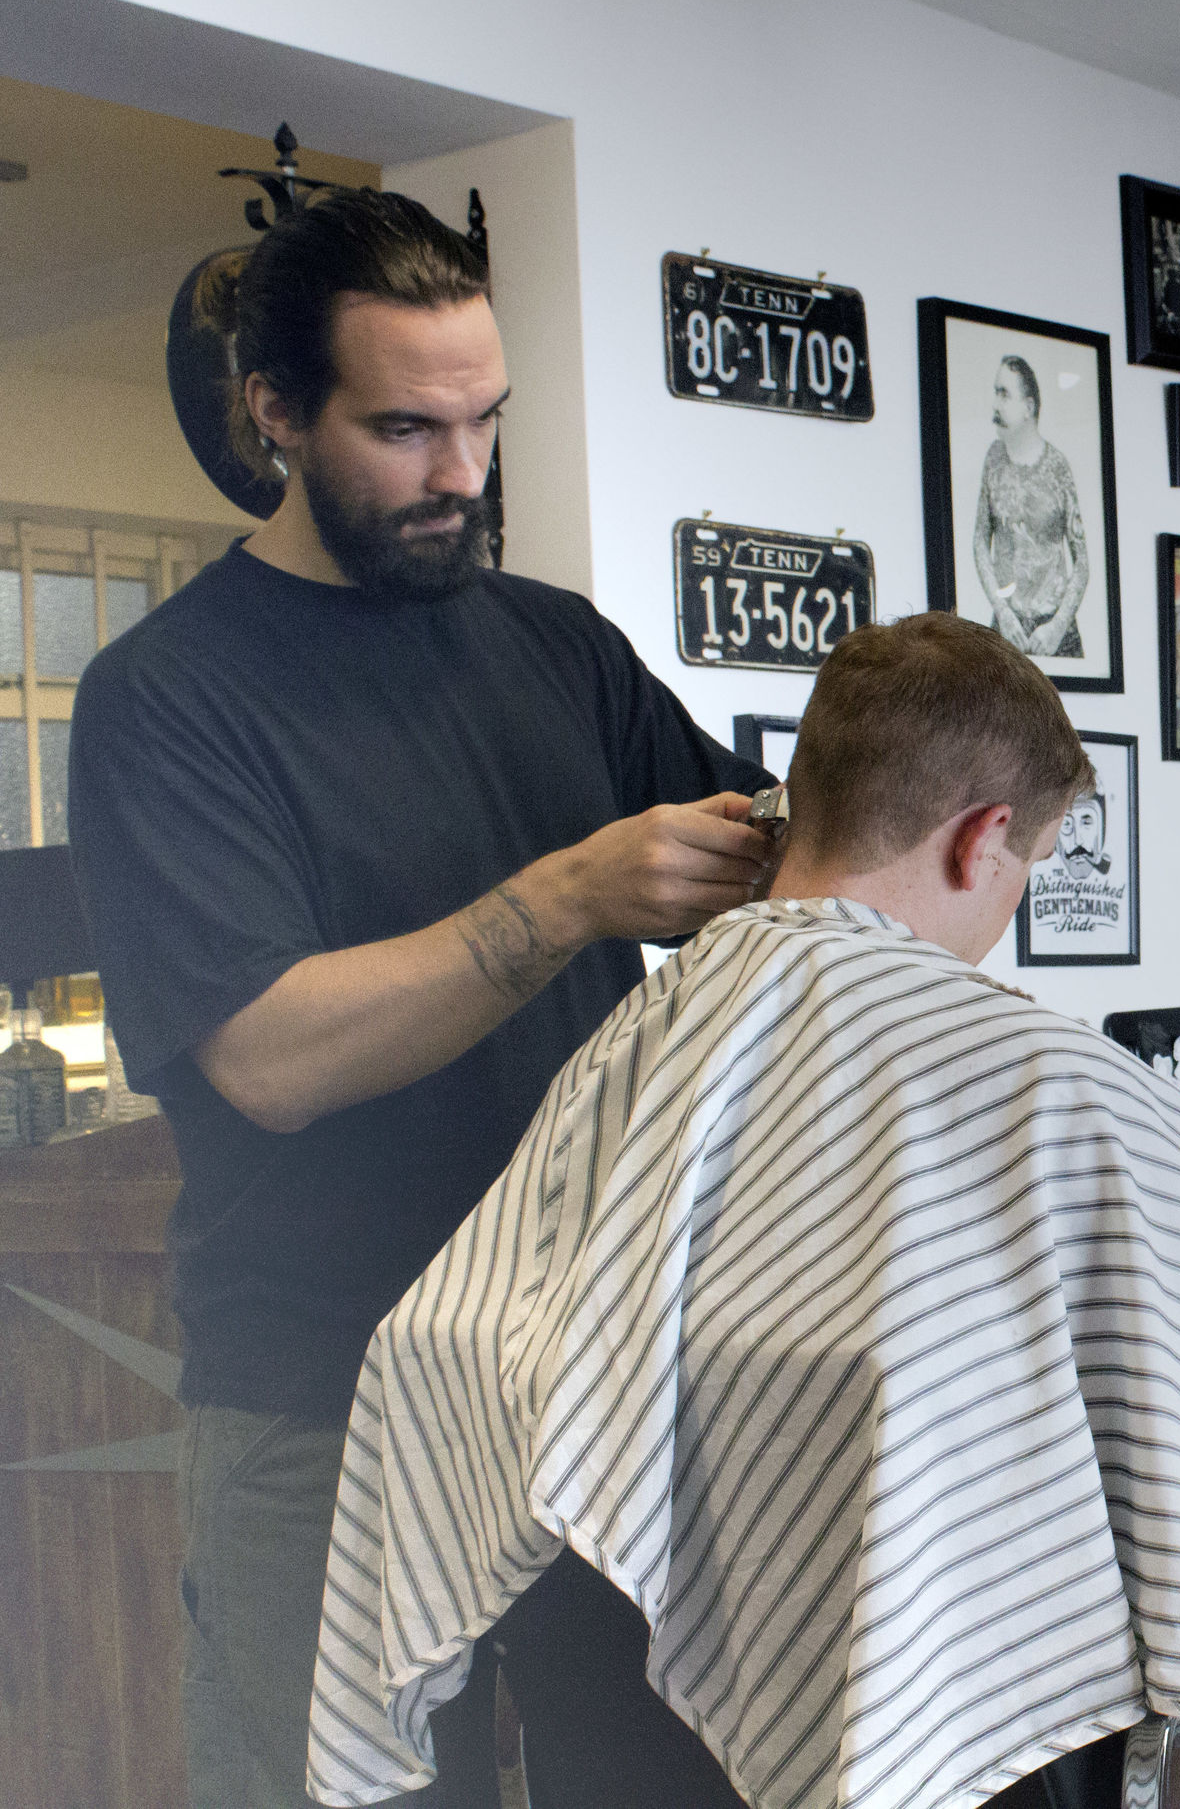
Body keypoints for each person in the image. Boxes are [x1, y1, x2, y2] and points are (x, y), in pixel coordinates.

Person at [306, 614, 1180, 1809]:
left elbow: (449, 1342)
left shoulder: (646, 1035)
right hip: (944, 1714)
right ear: (983, 841)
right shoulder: (1019, 1068)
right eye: (1028, 868)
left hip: (611, 1713)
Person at [66, 188, 774, 1809]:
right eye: (405, 430)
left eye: (485, 421)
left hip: (582, 1399)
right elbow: (271, 1053)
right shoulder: (166, 700)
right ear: (273, 412)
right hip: (322, 1406)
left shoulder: (561, 650)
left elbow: (781, 882)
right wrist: (566, 898)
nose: (463, 473)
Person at [971, 352, 1089, 658]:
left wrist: (1058, 626)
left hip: (1055, 633)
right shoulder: (994, 459)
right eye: (995, 393)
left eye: (1004, 394)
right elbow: (980, 540)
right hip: (1006, 629)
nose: (995, 405)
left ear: (1029, 407)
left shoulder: (1057, 466)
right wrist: (1002, 611)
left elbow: (1082, 561)